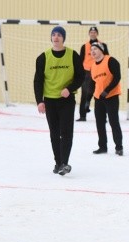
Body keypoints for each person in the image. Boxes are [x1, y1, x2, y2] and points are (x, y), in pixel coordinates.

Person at [34, 26, 85, 176]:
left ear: (63, 38)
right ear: (51, 38)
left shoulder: (73, 55)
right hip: (50, 101)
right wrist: (39, 101)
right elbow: (38, 81)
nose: (56, 37)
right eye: (54, 35)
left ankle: (64, 163)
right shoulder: (43, 57)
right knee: (54, 133)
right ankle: (58, 163)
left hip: (67, 100)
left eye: (59, 35)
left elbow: (81, 76)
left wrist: (69, 89)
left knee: (66, 132)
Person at [90, 42, 124, 156]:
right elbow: (94, 83)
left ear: (101, 50)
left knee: (113, 122)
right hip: (98, 98)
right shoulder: (93, 65)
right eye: (91, 49)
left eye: (95, 49)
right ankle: (102, 147)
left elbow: (117, 77)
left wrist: (107, 90)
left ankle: (119, 147)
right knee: (99, 123)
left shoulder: (110, 60)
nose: (92, 51)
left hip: (111, 96)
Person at [77, 26, 108, 121]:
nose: (93, 33)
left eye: (94, 32)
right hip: (87, 73)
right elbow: (80, 60)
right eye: (91, 32)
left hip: (100, 72)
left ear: (97, 33)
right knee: (85, 93)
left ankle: (103, 116)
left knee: (101, 94)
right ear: (89, 34)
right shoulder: (84, 46)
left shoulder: (103, 45)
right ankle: (83, 115)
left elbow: (107, 58)